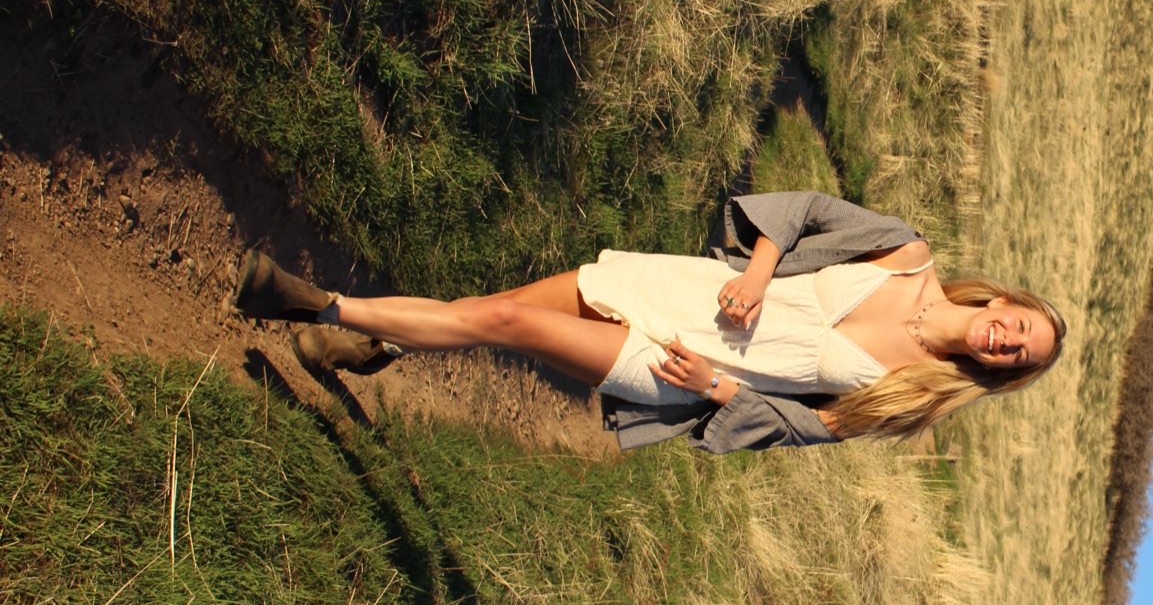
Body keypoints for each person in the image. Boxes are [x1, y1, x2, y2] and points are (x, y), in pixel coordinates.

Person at [233, 192, 1065, 453]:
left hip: (678, 359)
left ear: (1004, 371)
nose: (1006, 341)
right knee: (483, 312)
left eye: (1017, 356)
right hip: (693, 290)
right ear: (1003, 302)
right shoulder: (904, 252)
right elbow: (805, 212)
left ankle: (314, 304)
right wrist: (763, 271)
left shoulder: (913, 398)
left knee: (510, 320)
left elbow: (803, 427)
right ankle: (365, 346)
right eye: (1019, 325)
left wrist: (718, 387)